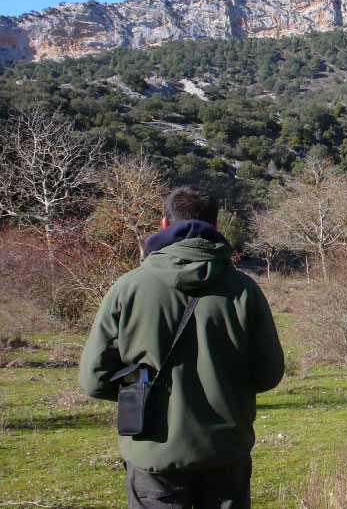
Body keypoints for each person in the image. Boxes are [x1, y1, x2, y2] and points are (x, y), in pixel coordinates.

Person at [79, 185, 285, 508]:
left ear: (163, 224)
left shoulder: (127, 289)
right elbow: (269, 373)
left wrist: (137, 388)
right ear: (215, 228)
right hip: (224, 454)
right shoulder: (244, 291)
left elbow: (93, 380)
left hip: (152, 454)